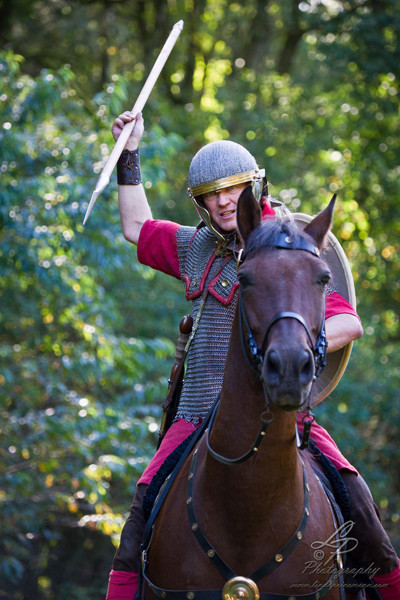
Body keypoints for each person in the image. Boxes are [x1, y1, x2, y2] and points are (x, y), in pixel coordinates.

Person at [105, 111, 400, 600]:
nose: (223, 201)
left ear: (253, 186)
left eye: (233, 188)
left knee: (359, 504)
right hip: (198, 412)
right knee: (141, 508)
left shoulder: (289, 243)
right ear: (200, 202)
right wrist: (129, 153)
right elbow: (137, 226)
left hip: (282, 414)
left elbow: (350, 322)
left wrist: (293, 339)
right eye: (211, 193)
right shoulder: (197, 247)